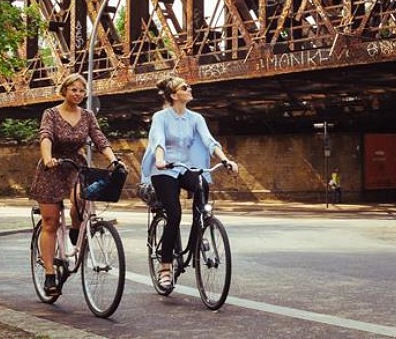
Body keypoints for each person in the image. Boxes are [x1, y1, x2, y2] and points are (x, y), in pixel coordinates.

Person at [29, 73, 124, 297]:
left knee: (82, 197)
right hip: (52, 167)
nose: (78, 94)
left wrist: (114, 159)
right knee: (50, 222)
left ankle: (75, 229)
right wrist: (48, 157)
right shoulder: (51, 113)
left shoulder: (88, 115)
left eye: (82, 90)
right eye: (74, 89)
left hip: (75, 166)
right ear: (64, 91)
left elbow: (99, 138)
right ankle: (50, 275)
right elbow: (45, 137)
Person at [140, 76, 239, 291]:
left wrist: (225, 160)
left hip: (184, 168)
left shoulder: (196, 118)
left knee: (202, 187)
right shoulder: (161, 117)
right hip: (164, 169)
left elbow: (209, 141)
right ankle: (165, 268)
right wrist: (159, 158)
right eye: (185, 87)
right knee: (174, 215)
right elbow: (158, 139)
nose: (189, 88)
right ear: (174, 95)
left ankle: (198, 234)